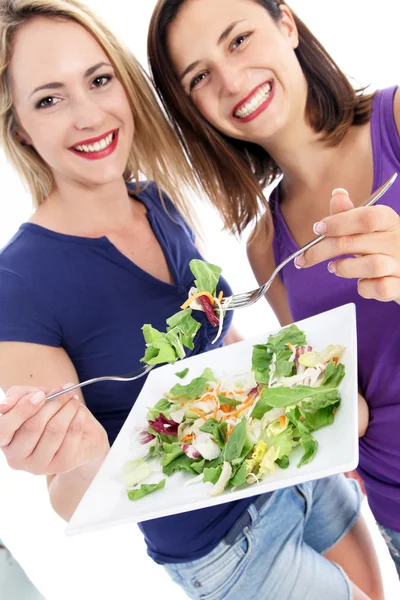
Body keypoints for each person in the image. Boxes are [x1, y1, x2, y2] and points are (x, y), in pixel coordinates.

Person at [0, 1, 383, 600]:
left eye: (99, 80)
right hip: (229, 548)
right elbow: (66, 493)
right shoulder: (17, 283)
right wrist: (78, 458)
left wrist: (315, 401)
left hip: (293, 470)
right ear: (20, 127)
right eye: (49, 99)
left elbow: (221, 346)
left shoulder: (156, 202)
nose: (88, 115)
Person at [148, 0, 400, 580]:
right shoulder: (265, 244)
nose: (231, 81)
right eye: (200, 77)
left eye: (238, 39)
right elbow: (339, 385)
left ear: (285, 23)